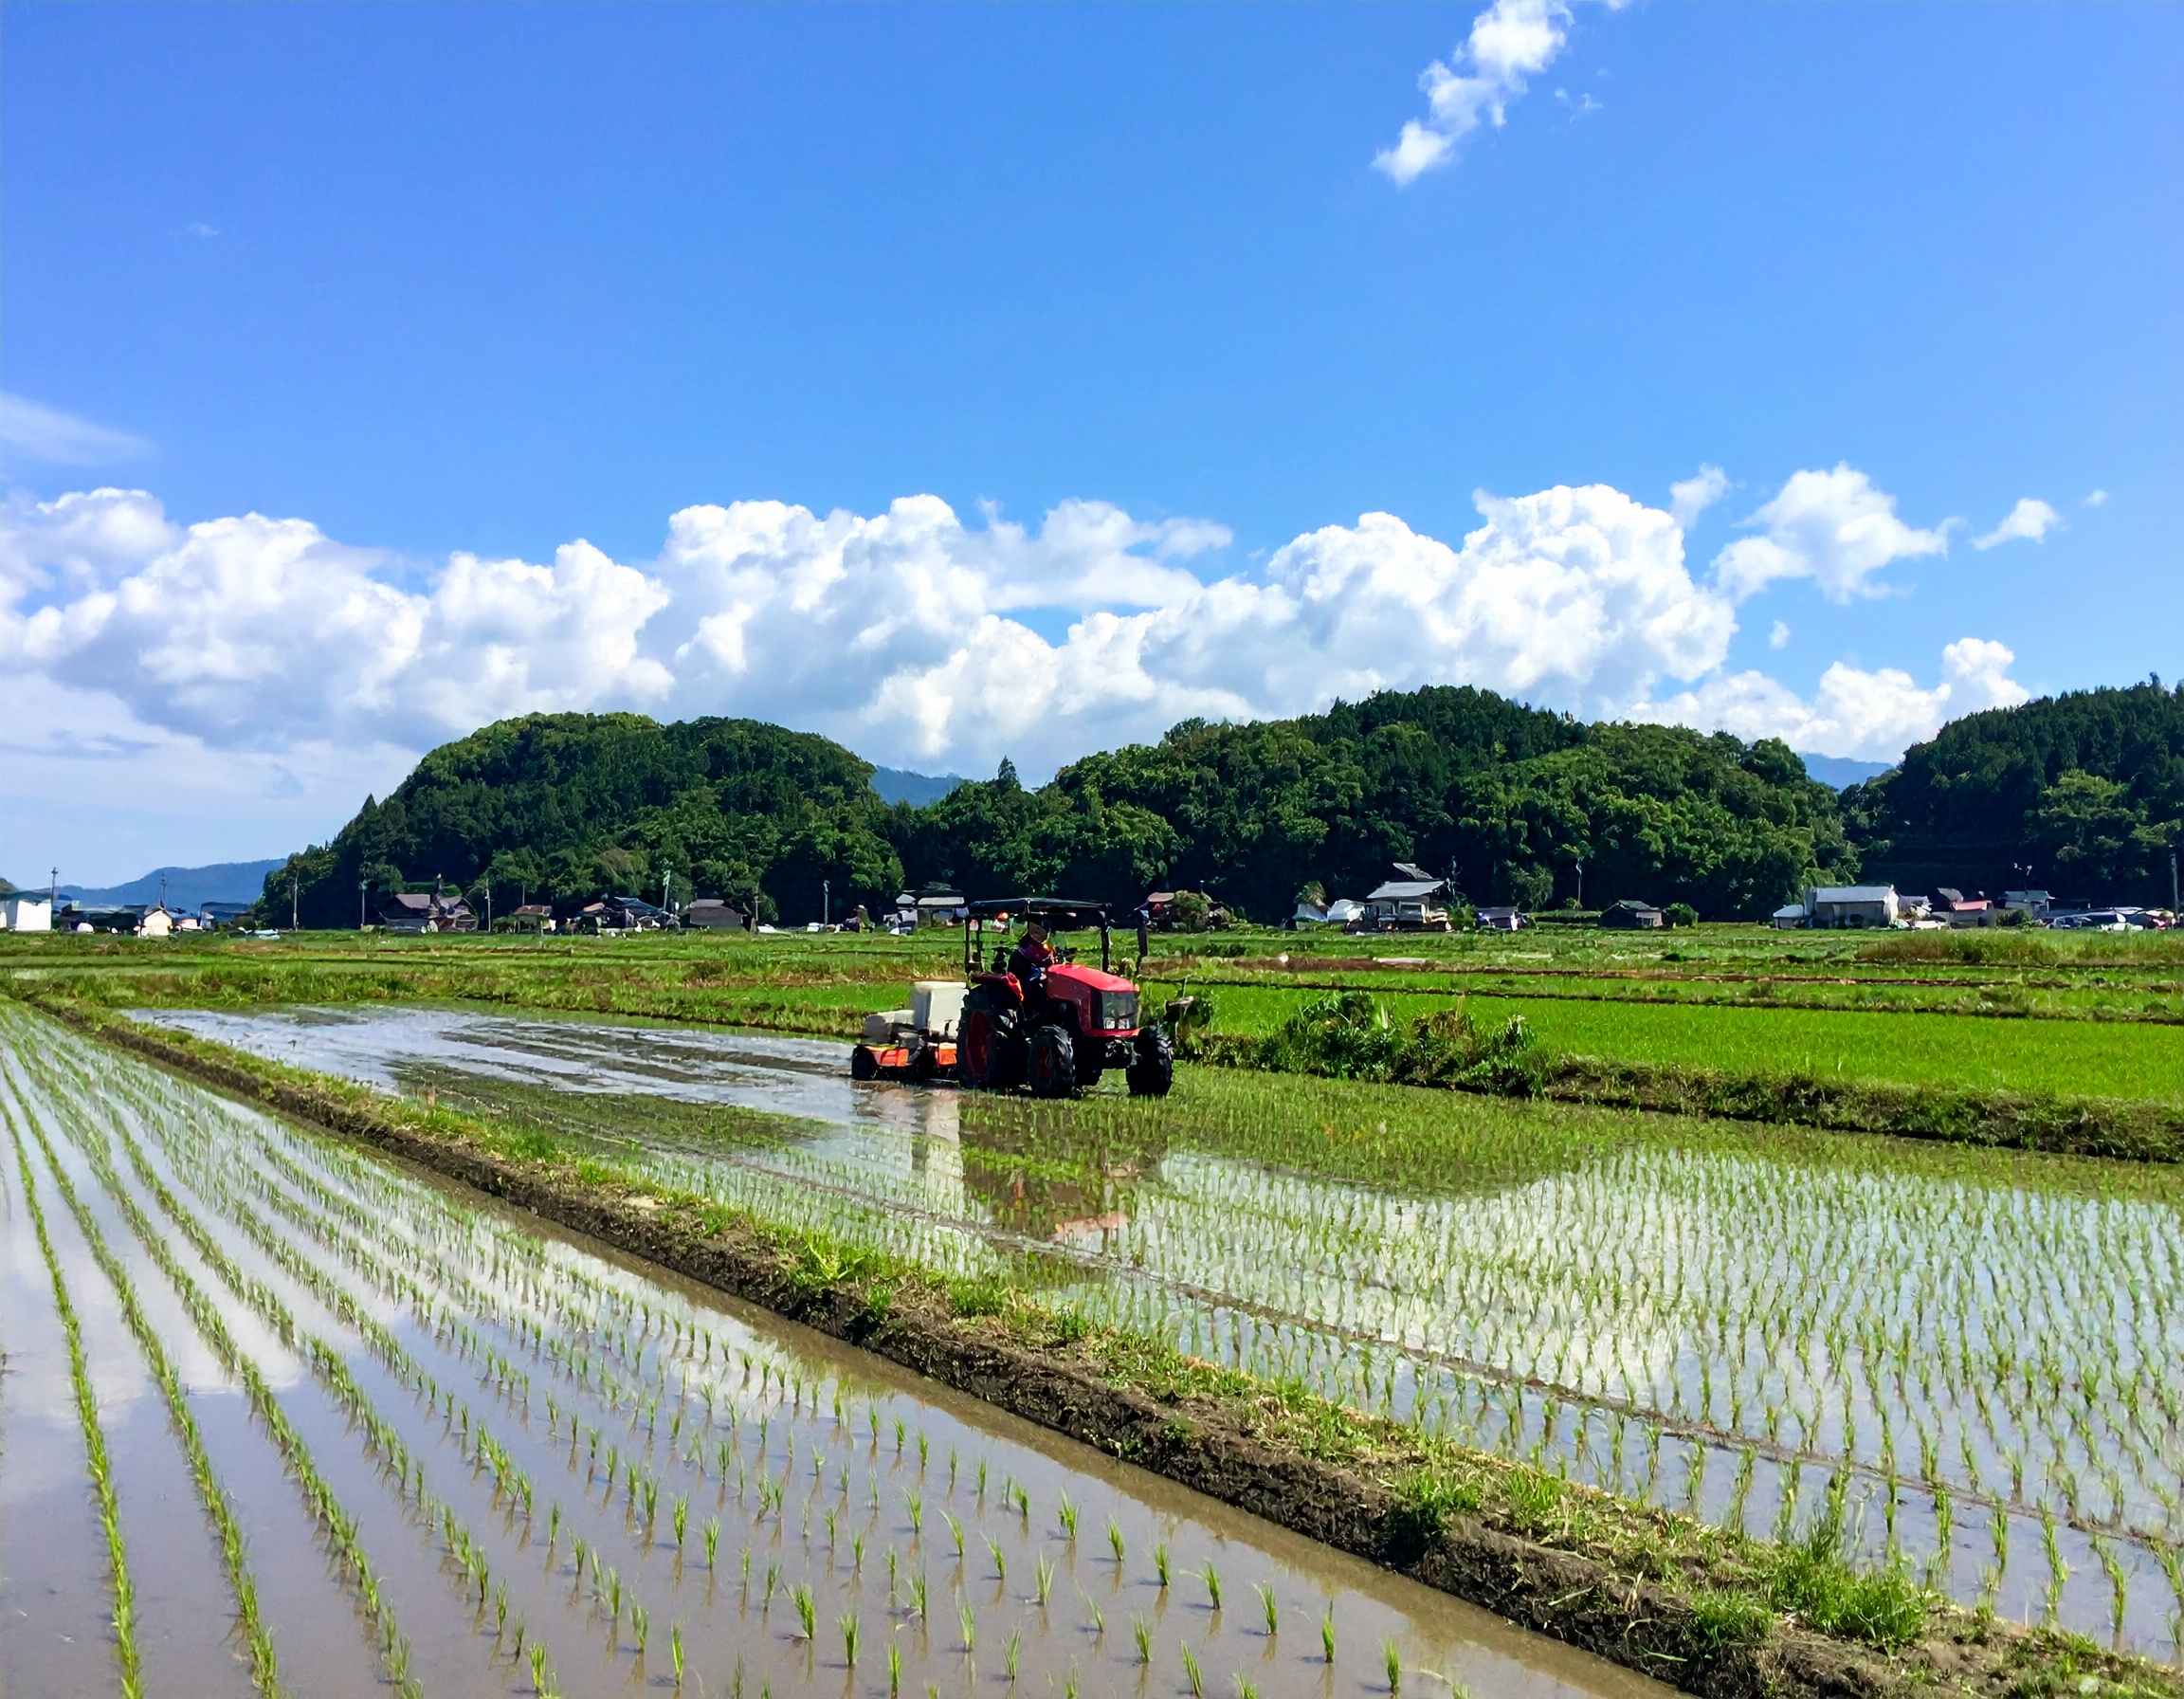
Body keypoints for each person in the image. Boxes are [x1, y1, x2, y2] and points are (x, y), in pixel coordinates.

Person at [1010, 921, 1058, 999]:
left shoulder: (1044, 946)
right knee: (1036, 986)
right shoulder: (1025, 948)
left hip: (1035, 973)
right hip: (1025, 978)